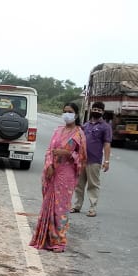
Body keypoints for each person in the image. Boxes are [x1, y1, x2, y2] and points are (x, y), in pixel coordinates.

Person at [29, 102, 87, 253]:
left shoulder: (79, 133)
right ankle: (45, 238)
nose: (66, 114)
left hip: (66, 174)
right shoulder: (58, 130)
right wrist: (49, 166)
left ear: (76, 114)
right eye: (65, 111)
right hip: (52, 171)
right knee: (48, 204)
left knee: (60, 208)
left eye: (70, 111)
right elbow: (49, 150)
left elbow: (83, 157)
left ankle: (59, 241)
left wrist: (69, 154)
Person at [73, 101, 112, 217]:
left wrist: (107, 160)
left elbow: (107, 144)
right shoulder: (85, 125)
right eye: (95, 109)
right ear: (91, 110)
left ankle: (92, 208)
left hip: (94, 161)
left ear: (103, 112)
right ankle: (77, 206)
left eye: (99, 110)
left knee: (93, 185)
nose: (96, 112)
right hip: (81, 160)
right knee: (79, 185)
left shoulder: (105, 127)